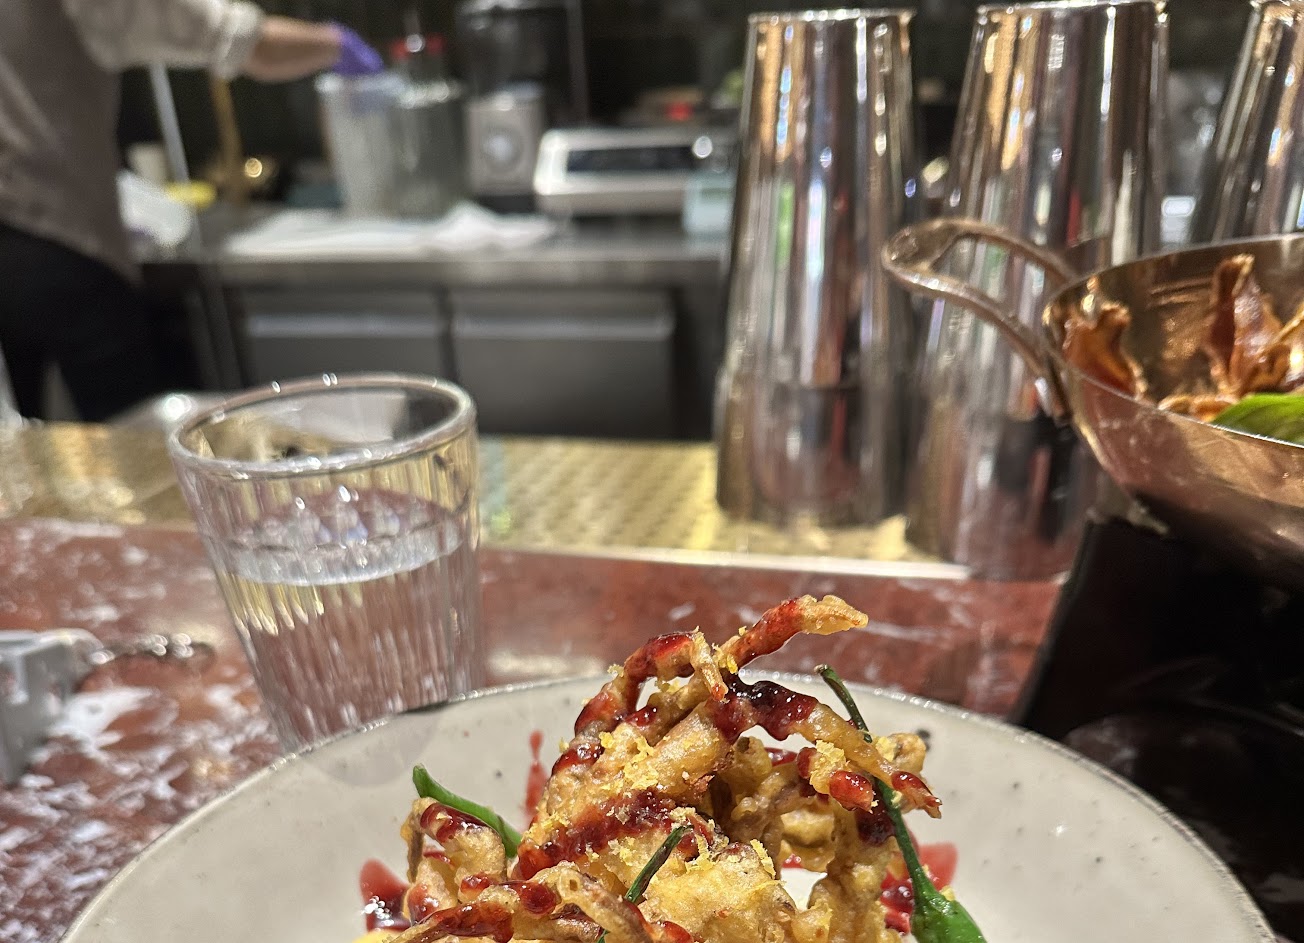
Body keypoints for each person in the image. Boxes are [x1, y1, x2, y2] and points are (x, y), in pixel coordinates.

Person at [0, 0, 383, 421]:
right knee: (128, 434)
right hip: (60, 231)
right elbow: (227, 35)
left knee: (26, 439)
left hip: (32, 233)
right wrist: (331, 42)